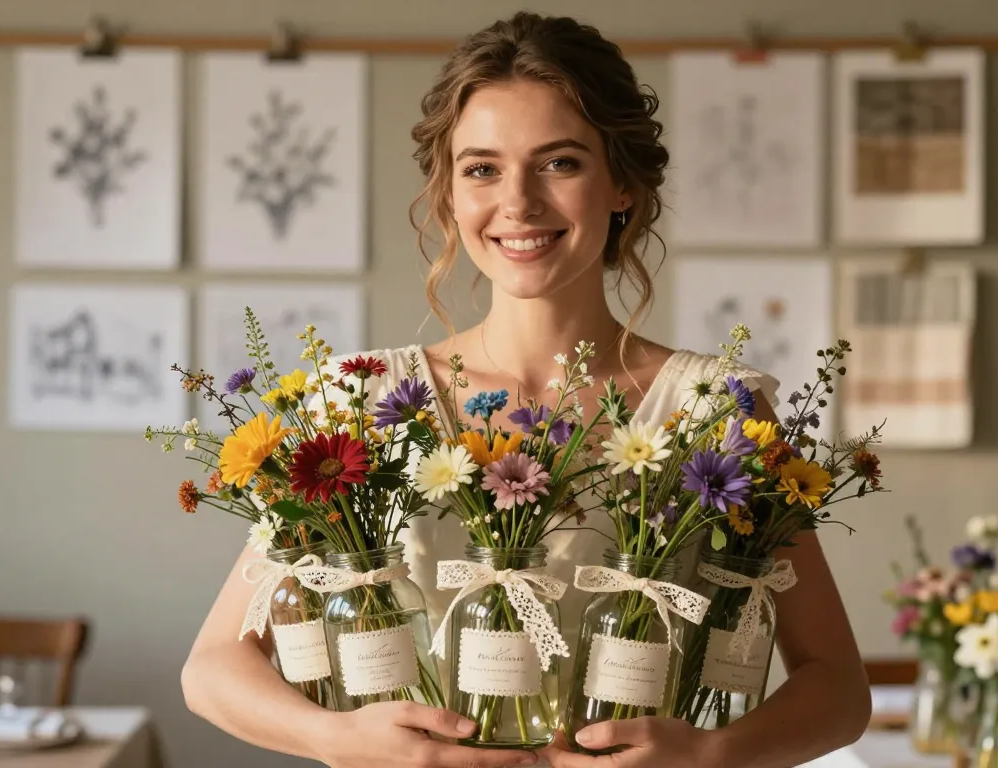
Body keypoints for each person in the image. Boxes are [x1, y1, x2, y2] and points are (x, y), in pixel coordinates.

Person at [181, 12, 871, 768]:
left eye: (559, 163)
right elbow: (213, 669)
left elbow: (837, 686)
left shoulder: (718, 410)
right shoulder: (360, 401)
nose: (518, 202)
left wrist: (710, 756)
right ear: (449, 194)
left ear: (622, 186)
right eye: (481, 168)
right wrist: (338, 738)